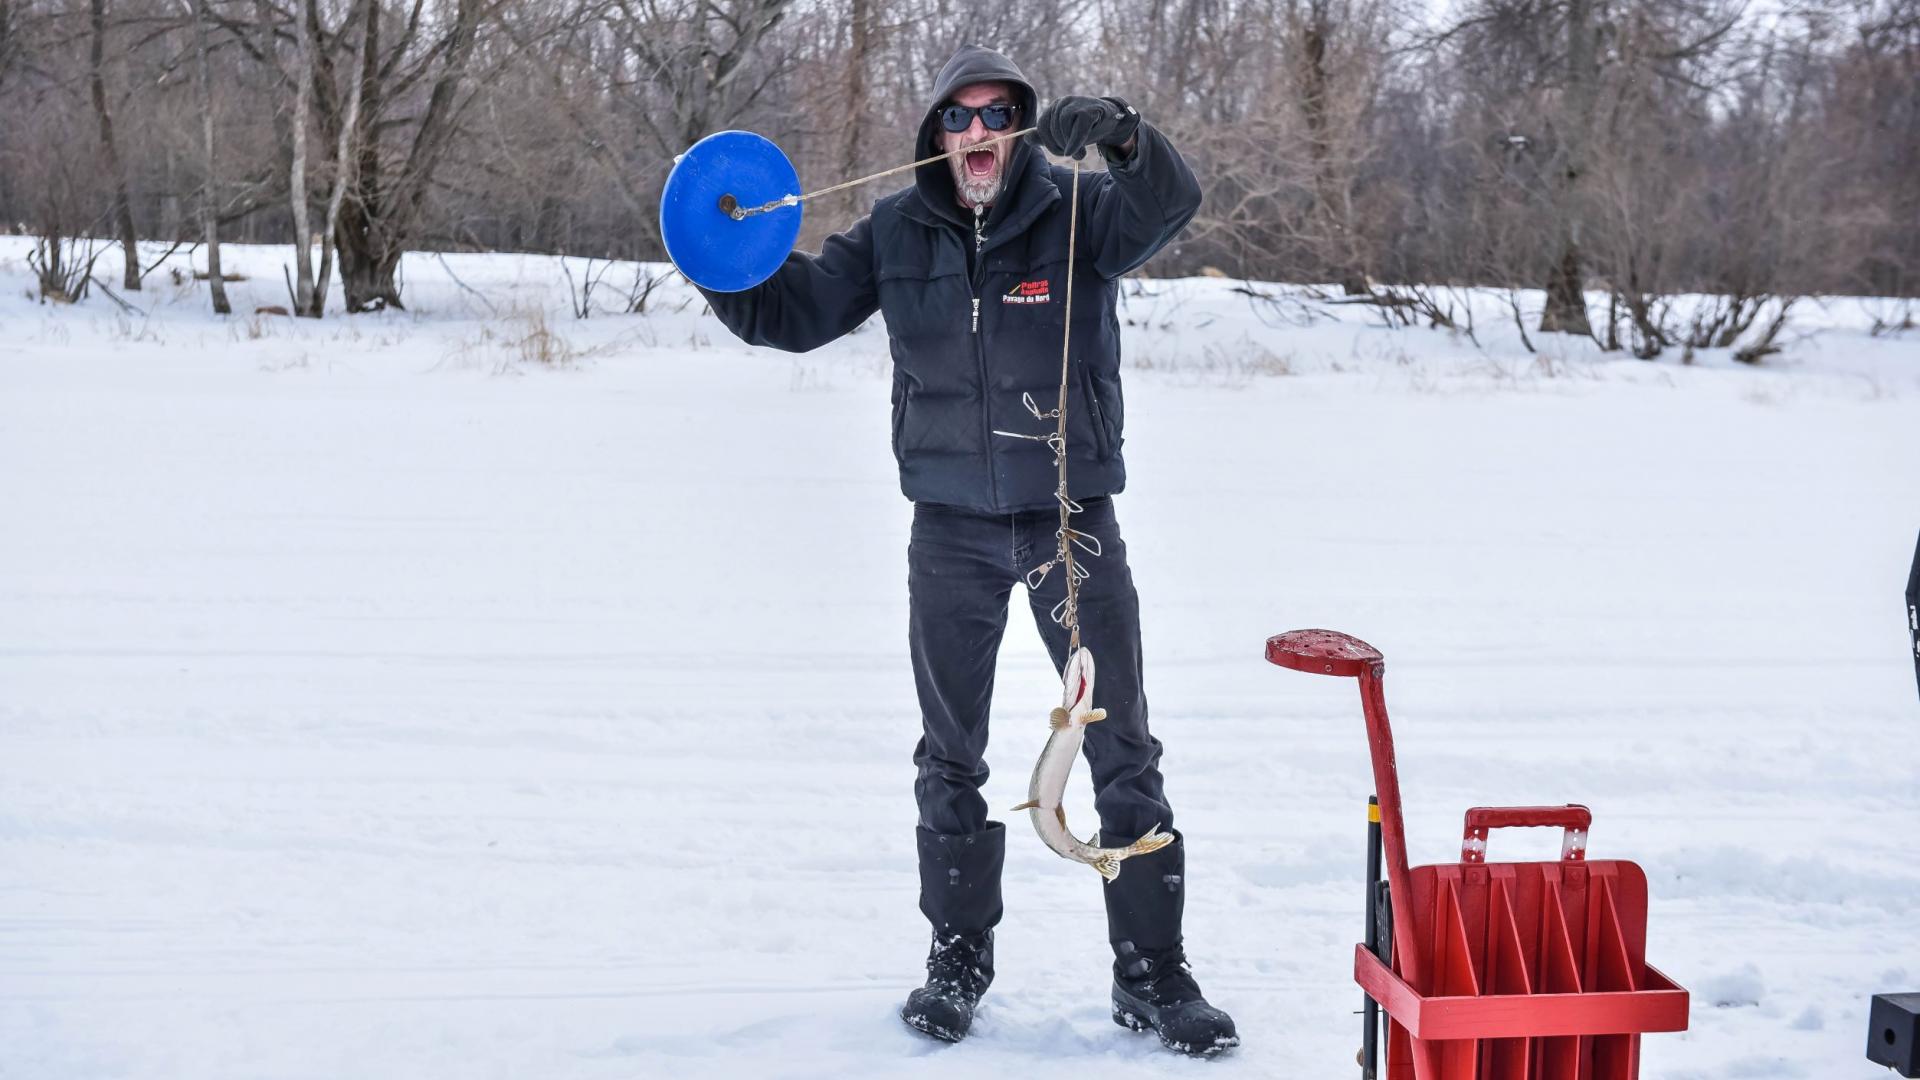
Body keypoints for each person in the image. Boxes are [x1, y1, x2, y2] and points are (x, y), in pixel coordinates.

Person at [694, 45, 1235, 1056]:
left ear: (1021, 125)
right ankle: (958, 957)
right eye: (959, 117)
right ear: (935, 133)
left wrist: (1122, 134)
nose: (979, 133)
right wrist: (713, 258)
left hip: (1070, 520)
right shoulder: (897, 231)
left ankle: (1153, 973)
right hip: (949, 527)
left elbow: (1169, 201)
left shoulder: (1078, 214)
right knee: (952, 753)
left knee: (1121, 743)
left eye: (997, 114)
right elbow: (795, 312)